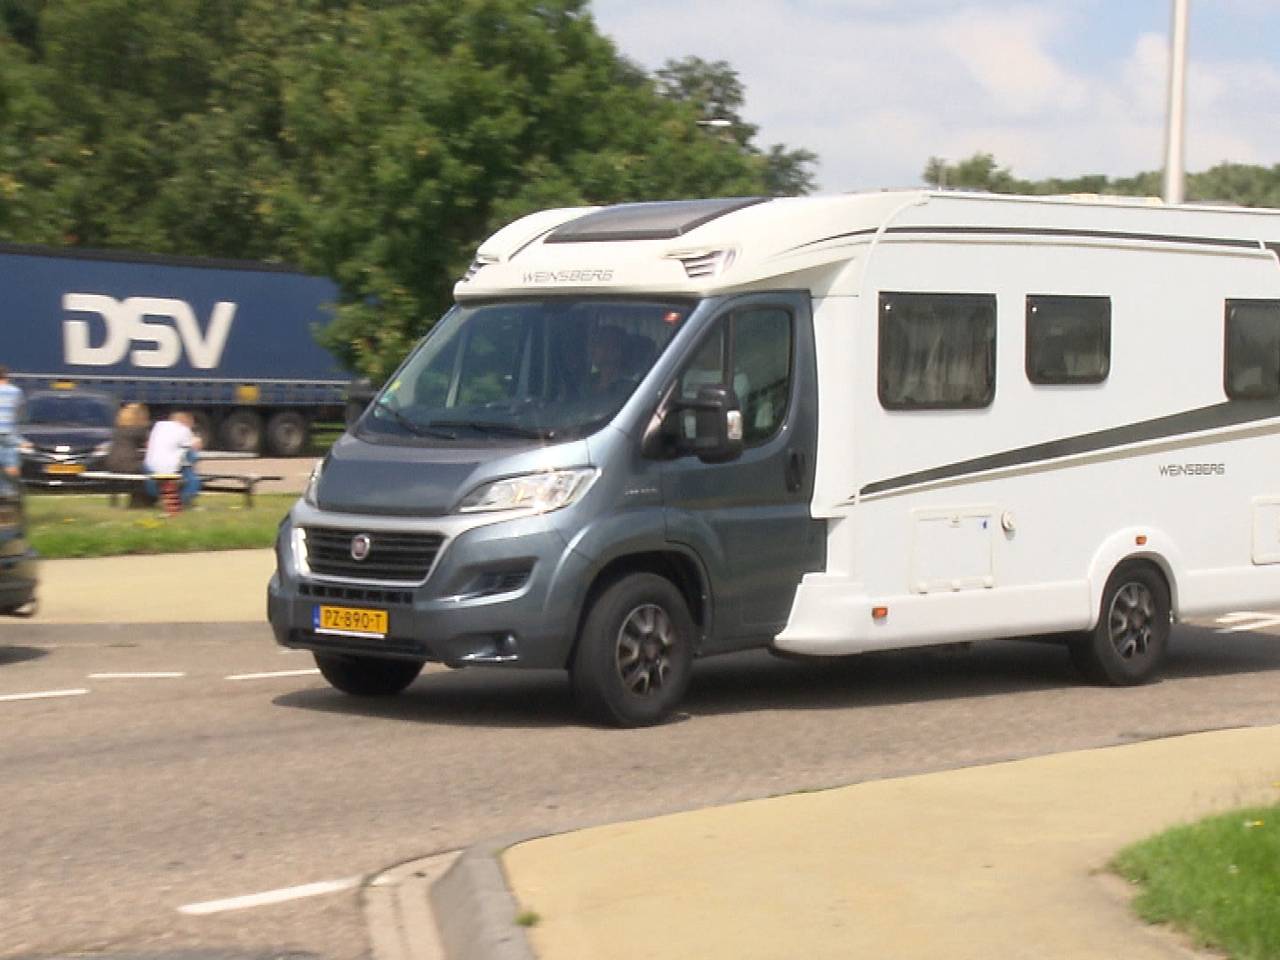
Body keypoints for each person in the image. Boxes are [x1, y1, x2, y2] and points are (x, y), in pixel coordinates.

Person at [144, 410, 202, 508]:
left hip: (149, 467)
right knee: (191, 474)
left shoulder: (158, 427)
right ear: (186, 422)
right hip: (169, 470)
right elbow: (192, 452)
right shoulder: (183, 430)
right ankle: (184, 500)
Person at [0, 365, 23, 479]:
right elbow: (17, 413)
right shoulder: (15, 391)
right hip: (8, 432)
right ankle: (13, 491)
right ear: (6, 376)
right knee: (11, 464)